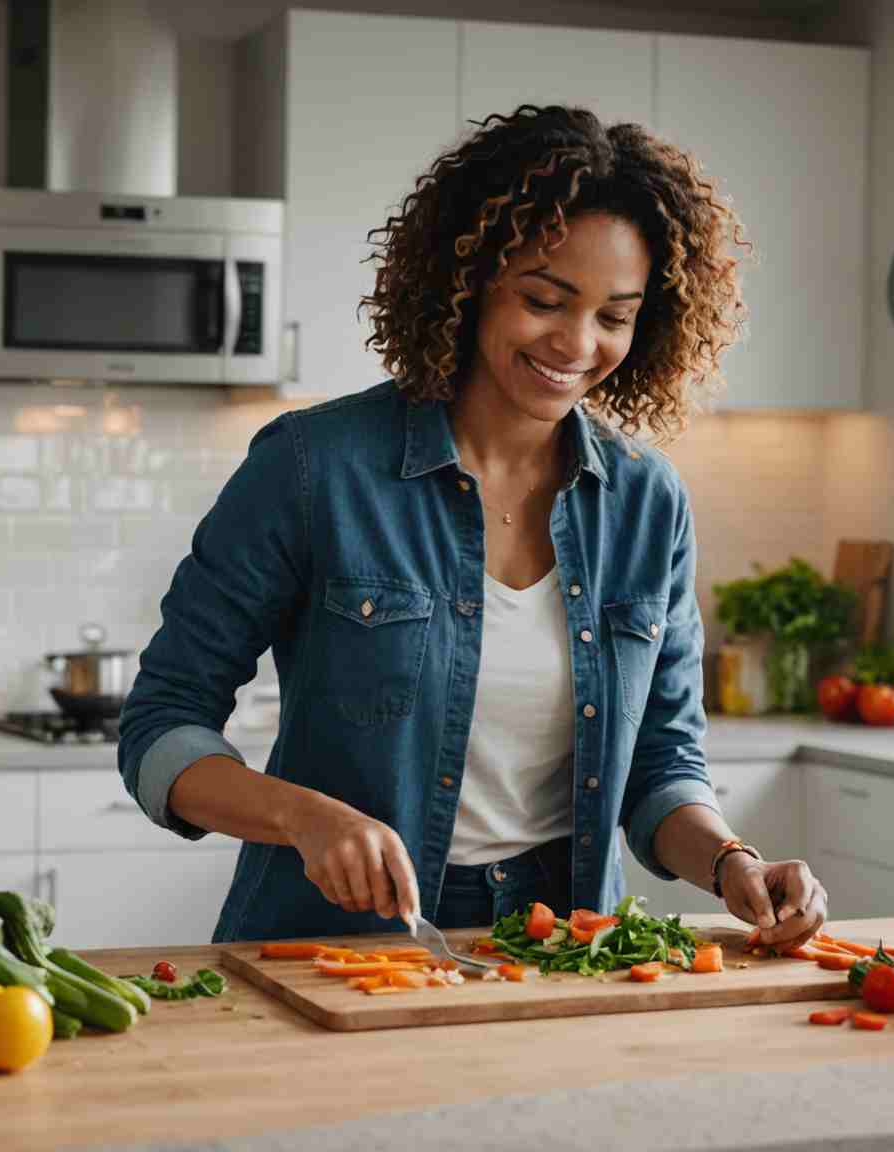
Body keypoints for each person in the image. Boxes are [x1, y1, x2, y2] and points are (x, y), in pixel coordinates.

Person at [116, 105, 829, 947]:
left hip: (563, 948)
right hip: (334, 946)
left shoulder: (648, 503)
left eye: (615, 315)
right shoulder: (314, 467)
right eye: (544, 299)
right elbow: (161, 723)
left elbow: (661, 767)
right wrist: (303, 818)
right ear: (470, 278)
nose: (576, 342)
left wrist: (729, 859)